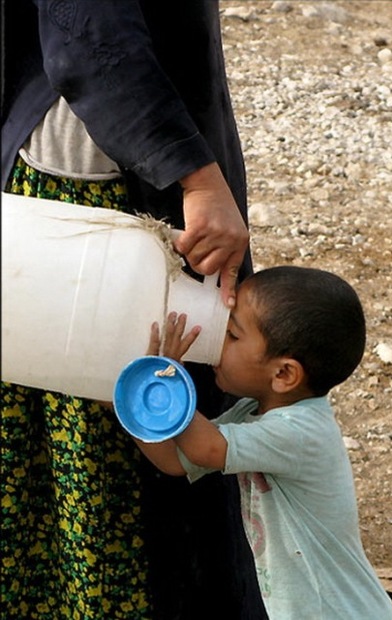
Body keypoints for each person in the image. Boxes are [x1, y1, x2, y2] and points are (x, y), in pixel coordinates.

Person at [1, 1, 267, 618]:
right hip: (103, 190)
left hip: (94, 168)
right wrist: (196, 177)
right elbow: (88, 33)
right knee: (99, 474)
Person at [133, 266, 392, 620]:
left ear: (284, 374)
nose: (215, 340)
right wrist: (132, 396)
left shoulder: (300, 431)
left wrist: (166, 380)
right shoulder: (252, 413)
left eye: (231, 334)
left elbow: (204, 448)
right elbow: (176, 459)